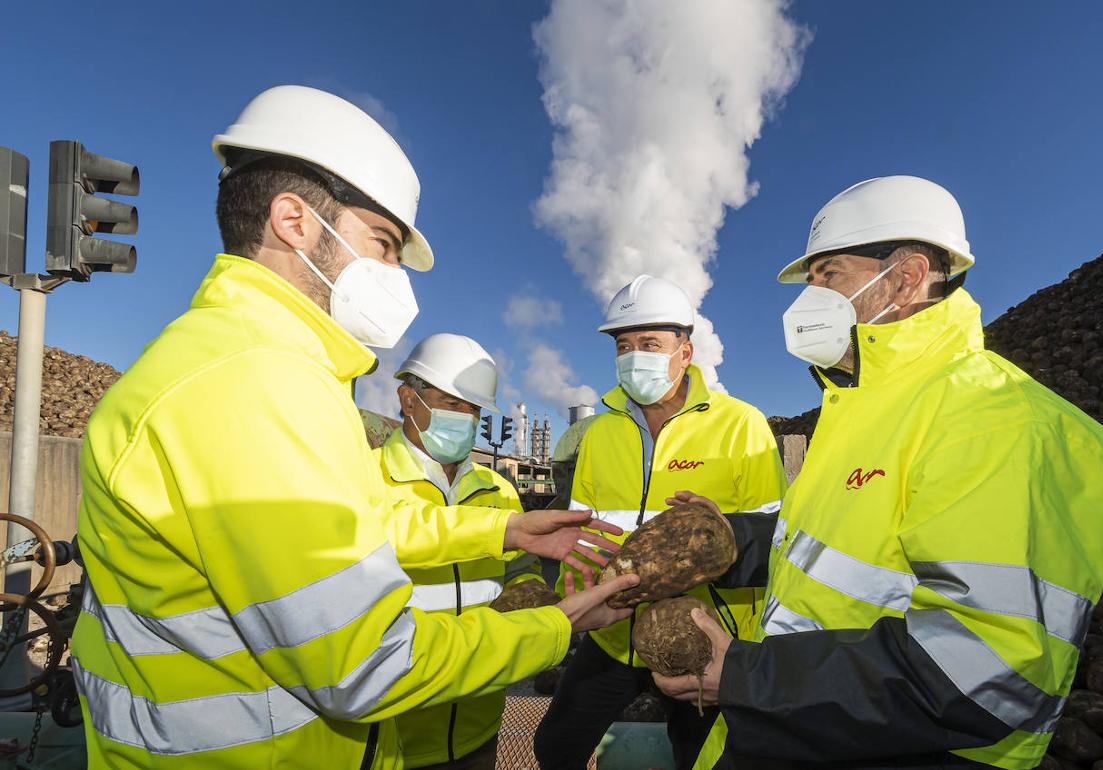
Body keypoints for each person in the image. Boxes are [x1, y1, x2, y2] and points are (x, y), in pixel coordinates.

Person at [71, 85, 636, 770]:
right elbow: (368, 665)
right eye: (385, 243)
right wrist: (557, 624)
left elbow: (362, 528)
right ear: (294, 221)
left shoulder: (237, 363)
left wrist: (508, 529)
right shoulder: (256, 383)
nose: (396, 275)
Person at [653, 176, 1103, 770]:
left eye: (829, 275)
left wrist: (746, 677)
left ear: (906, 278)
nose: (806, 300)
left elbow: (988, 669)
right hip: (807, 730)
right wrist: (730, 541)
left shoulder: (999, 419)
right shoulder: (861, 407)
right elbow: (837, 547)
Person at [535, 275, 788, 770]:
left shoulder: (741, 425)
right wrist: (576, 603)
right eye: (624, 345)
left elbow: (775, 540)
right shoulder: (601, 433)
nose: (634, 356)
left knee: (696, 756)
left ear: (686, 351)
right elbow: (585, 531)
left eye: (650, 344)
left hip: (701, 633)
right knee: (556, 745)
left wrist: (720, 540)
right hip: (613, 631)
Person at [378, 333, 549, 770]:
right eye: (451, 403)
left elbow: (522, 568)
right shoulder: (367, 479)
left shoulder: (500, 490)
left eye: (472, 408)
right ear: (407, 399)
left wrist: (530, 597)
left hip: (479, 725)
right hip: (393, 733)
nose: (464, 417)